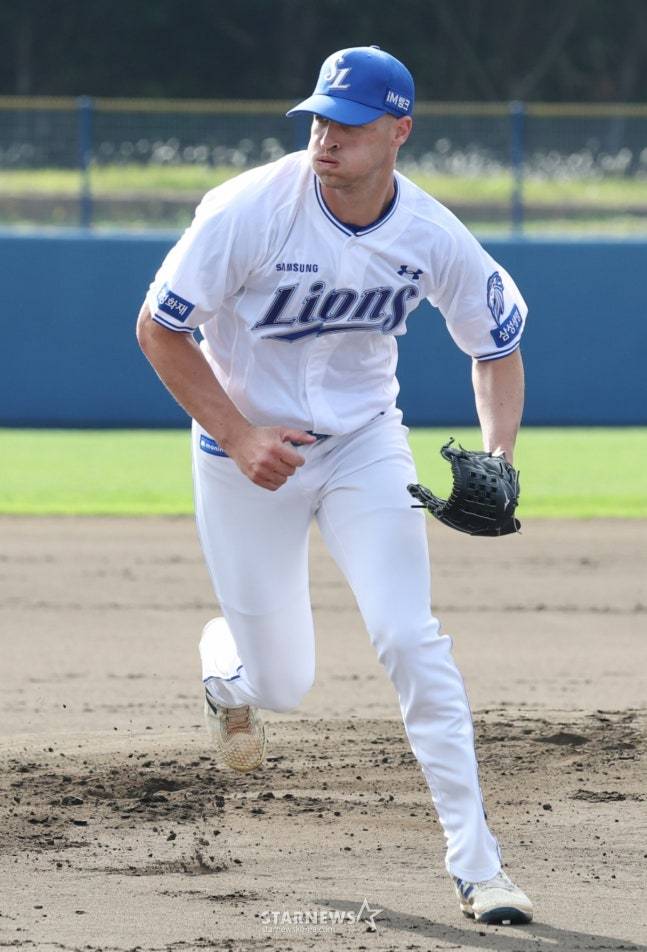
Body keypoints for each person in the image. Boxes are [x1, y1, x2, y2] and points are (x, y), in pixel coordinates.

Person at [136, 45, 533, 925]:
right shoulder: (247, 210)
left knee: (409, 638)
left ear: (398, 131)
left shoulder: (430, 233)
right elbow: (158, 329)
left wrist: (499, 457)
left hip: (363, 448)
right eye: (318, 119)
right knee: (281, 686)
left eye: (349, 125)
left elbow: (495, 346)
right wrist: (237, 436)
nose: (326, 138)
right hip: (245, 459)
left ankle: (480, 866)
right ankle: (227, 674)